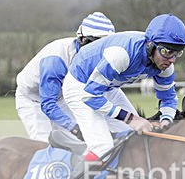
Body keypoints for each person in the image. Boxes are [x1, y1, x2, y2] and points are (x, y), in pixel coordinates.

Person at [53, 13, 185, 179]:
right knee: (103, 145)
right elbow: (90, 96)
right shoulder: (122, 55)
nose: (171, 59)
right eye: (166, 52)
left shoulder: (165, 65)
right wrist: (131, 118)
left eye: (177, 53)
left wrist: (166, 121)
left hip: (107, 86)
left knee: (134, 135)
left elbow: (169, 98)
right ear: (150, 45)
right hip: (81, 87)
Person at [15, 12, 116, 142]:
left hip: (62, 98)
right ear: (83, 40)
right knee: (45, 144)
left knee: (80, 141)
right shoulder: (55, 60)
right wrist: (74, 129)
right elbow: (48, 104)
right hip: (34, 100)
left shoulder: (88, 55)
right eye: (98, 45)